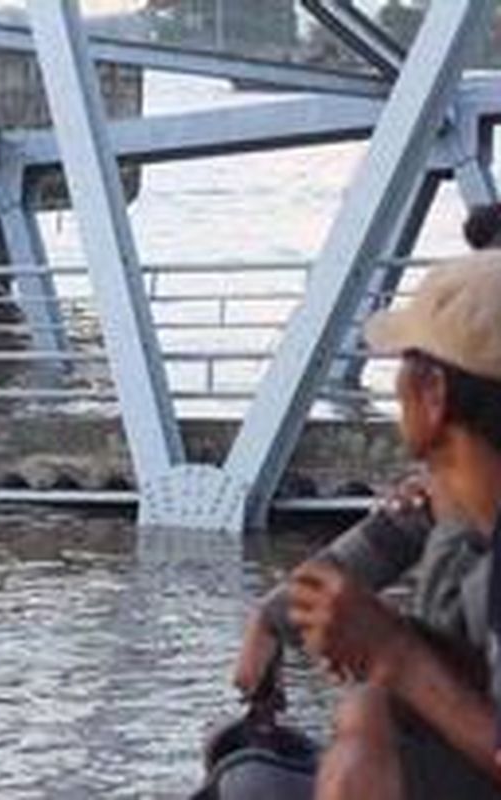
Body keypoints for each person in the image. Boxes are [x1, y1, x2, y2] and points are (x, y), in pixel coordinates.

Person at [234, 255, 501, 799]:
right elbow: (403, 525)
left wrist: (393, 655)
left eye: (404, 364)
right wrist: (275, 618)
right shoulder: (463, 506)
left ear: (432, 395)